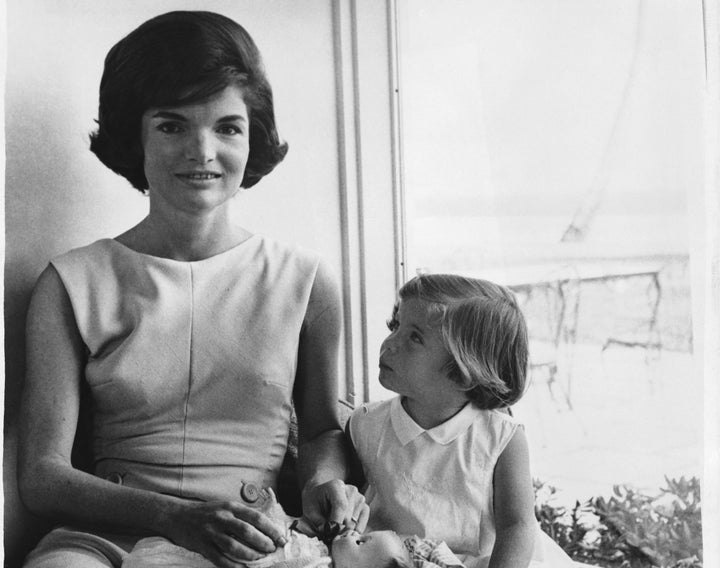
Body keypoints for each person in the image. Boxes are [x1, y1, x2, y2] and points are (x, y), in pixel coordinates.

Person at [17, 11, 366, 568]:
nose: (202, 150)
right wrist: (170, 516)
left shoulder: (306, 281)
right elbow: (42, 476)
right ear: (135, 134)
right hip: (104, 539)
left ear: (254, 135)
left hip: (254, 541)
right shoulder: (71, 282)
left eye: (227, 126)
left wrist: (327, 481)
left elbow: (322, 428)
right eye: (172, 125)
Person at [346, 274, 576, 568]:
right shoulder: (366, 425)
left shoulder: (501, 439)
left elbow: (517, 526)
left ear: (465, 370)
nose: (389, 343)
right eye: (395, 326)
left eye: (414, 337)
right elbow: (351, 506)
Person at [121, 489, 418, 568]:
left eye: (362, 543)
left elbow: (275, 548)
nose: (354, 533)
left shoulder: (315, 562)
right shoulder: (318, 549)